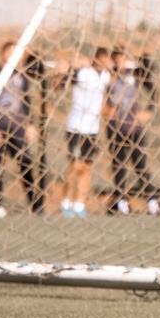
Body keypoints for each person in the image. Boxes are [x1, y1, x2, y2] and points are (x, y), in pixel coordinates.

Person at [0, 41, 43, 216]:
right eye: (11, 52)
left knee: (25, 164)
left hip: (17, 128)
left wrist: (30, 124)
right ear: (3, 53)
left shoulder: (21, 76)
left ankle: (35, 205)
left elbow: (26, 102)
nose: (14, 55)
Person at [105, 46, 159, 216]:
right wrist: (108, 111)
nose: (120, 62)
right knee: (119, 166)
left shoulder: (134, 74)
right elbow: (102, 101)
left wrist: (148, 111)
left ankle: (152, 203)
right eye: (117, 59)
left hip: (135, 128)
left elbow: (153, 90)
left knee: (140, 165)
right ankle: (122, 204)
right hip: (116, 128)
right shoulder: (108, 78)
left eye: (123, 58)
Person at [61, 46, 111, 218]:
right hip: (76, 127)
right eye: (102, 60)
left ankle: (79, 204)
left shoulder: (106, 76)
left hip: (92, 129)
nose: (104, 64)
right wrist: (71, 64)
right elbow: (65, 77)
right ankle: (66, 201)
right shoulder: (83, 73)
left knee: (87, 167)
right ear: (95, 59)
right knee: (75, 165)